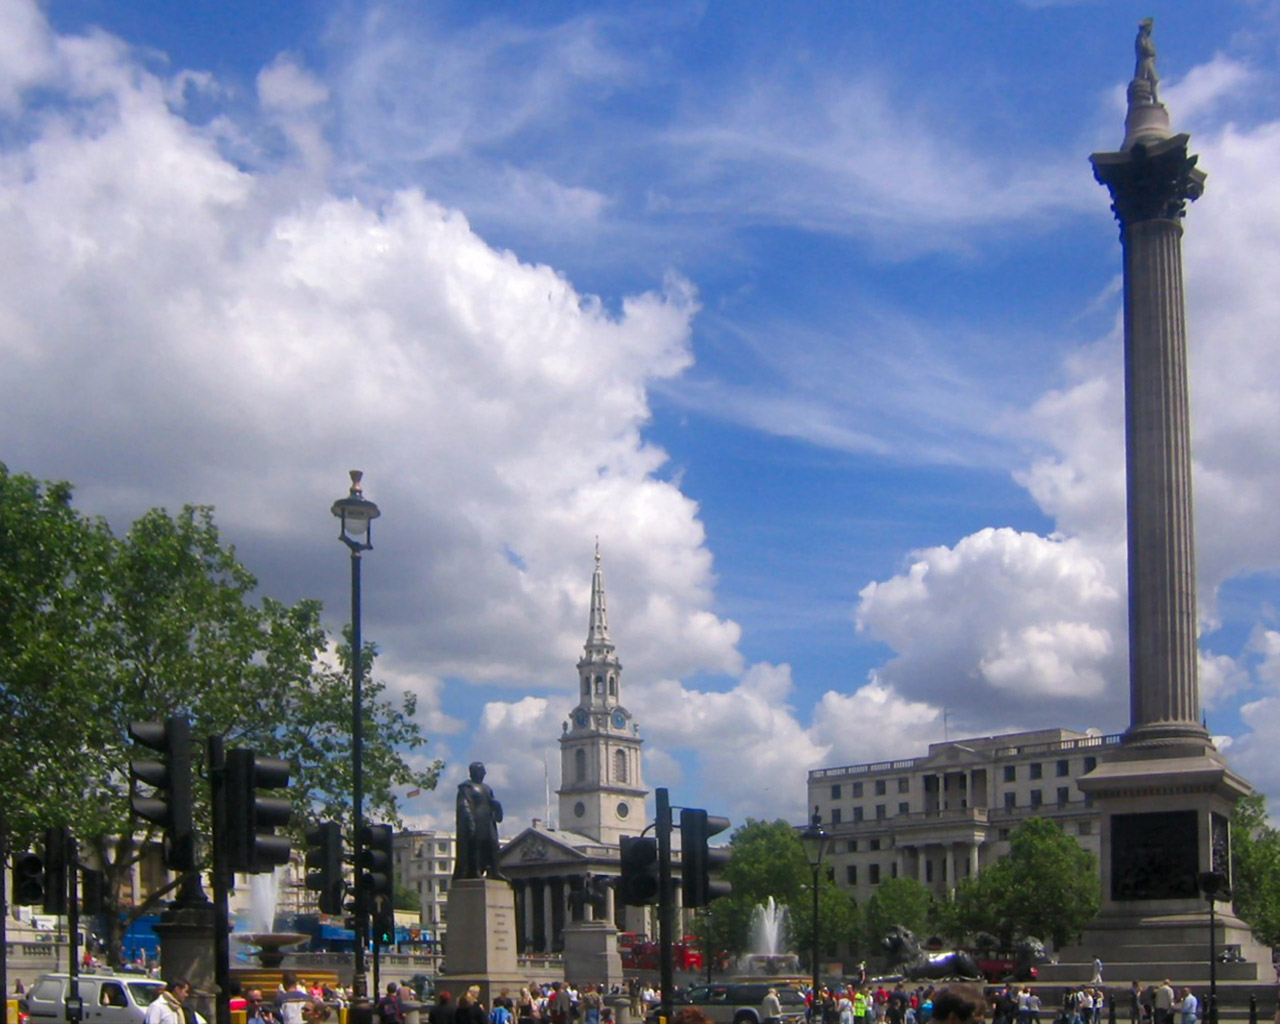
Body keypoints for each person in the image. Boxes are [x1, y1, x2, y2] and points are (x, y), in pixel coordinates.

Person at [454, 761, 507, 880]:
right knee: (476, 846)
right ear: (474, 772)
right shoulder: (466, 787)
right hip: (476, 820)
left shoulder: (487, 788)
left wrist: (497, 807)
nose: (484, 773)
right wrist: (469, 819)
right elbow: (463, 805)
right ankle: (475, 871)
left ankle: (495, 871)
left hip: (488, 822)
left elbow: (493, 804)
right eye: (482, 771)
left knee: (493, 846)